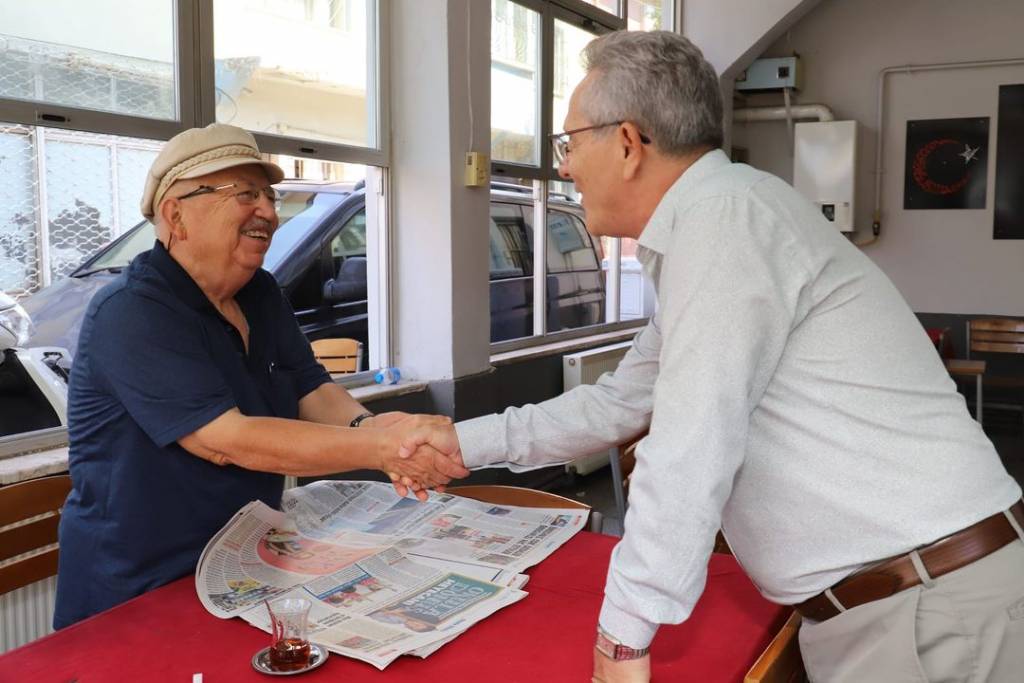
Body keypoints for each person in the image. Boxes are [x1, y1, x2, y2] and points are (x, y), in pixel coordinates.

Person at [400, 31, 1024, 682]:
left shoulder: (724, 220)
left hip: (930, 612)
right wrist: (454, 439)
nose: (564, 166)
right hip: (902, 603)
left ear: (626, 143)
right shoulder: (714, 224)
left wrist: (623, 635)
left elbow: (689, 441)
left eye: (569, 142)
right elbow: (617, 403)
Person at [54, 123, 467, 629]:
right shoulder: (132, 311)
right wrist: (385, 452)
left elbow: (309, 387)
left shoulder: (260, 292)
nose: (269, 212)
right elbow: (227, 439)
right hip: (140, 590)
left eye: (269, 195)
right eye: (244, 194)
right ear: (176, 215)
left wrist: (375, 430)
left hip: (242, 566)